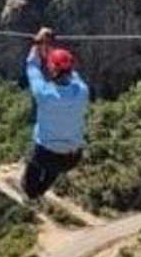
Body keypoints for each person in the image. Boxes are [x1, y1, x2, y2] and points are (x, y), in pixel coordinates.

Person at [21, 27, 90, 201]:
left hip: (46, 156)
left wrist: (39, 42)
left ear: (51, 70)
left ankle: (33, 193)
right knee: (54, 164)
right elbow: (69, 72)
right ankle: (43, 188)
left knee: (29, 187)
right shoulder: (82, 91)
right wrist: (50, 49)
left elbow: (32, 64)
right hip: (71, 158)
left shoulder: (43, 93)